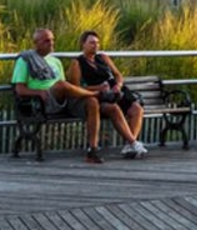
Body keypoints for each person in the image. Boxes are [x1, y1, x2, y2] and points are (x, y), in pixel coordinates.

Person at [12, 28, 107, 163]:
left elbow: (67, 88)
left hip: (64, 99)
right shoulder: (25, 60)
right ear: (36, 43)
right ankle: (96, 93)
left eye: (52, 40)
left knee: (92, 102)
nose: (51, 43)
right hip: (42, 101)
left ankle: (93, 149)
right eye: (46, 41)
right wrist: (38, 92)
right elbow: (19, 89)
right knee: (61, 85)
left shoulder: (56, 61)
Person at [68, 31, 148, 159]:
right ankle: (134, 143)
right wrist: (98, 88)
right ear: (83, 44)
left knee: (137, 108)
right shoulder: (77, 63)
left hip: (114, 92)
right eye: (92, 43)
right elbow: (76, 88)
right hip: (98, 95)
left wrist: (118, 85)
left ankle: (129, 145)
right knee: (113, 108)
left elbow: (118, 75)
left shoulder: (103, 58)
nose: (96, 45)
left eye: (97, 43)